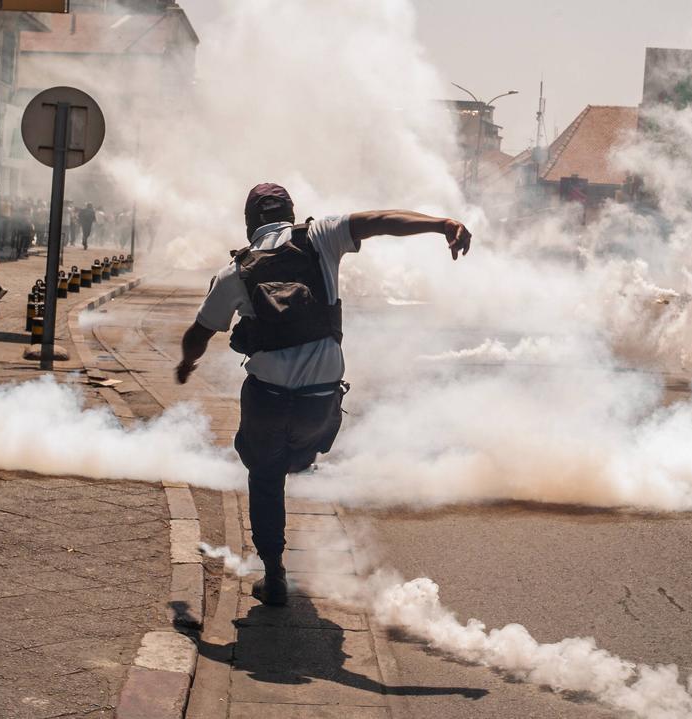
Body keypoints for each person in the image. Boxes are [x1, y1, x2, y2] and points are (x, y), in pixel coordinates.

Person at [174, 183, 472, 606]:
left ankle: (274, 574)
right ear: (293, 213)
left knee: (264, 476)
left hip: (268, 400)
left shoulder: (233, 274)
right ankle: (299, 457)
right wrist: (442, 224)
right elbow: (381, 220)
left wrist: (186, 366)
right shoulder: (321, 236)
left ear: (248, 225)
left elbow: (198, 333)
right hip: (320, 404)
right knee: (293, 455)